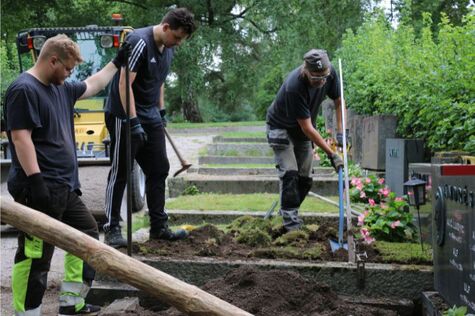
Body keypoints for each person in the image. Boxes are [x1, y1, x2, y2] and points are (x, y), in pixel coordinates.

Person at [4, 34, 119, 315]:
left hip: (65, 187)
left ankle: (70, 302)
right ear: (52, 60)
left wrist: (117, 62)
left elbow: (93, 84)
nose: (70, 74)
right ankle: (27, 312)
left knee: (87, 236)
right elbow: (21, 138)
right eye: (67, 68)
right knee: (37, 253)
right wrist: (36, 181)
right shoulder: (24, 89)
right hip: (38, 186)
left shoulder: (61, 88)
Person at [103, 8, 197, 248]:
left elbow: (159, 81)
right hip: (124, 113)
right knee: (121, 170)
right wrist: (133, 121)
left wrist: (161, 110)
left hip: (150, 112)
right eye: (176, 37)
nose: (177, 43)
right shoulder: (139, 42)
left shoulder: (169, 47)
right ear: (165, 27)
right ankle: (112, 228)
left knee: (159, 169)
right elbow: (125, 84)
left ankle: (158, 226)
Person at [266, 49, 345, 231]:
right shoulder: (295, 86)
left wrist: (341, 131)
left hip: (302, 130)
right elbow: (307, 127)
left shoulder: (330, 72)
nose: (321, 81)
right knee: (290, 174)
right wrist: (332, 154)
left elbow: (339, 101)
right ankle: (290, 224)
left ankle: (287, 212)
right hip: (281, 127)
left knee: (305, 178)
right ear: (306, 71)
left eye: (324, 76)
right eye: (316, 77)